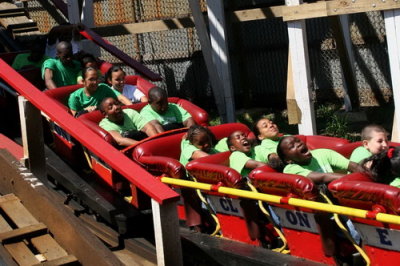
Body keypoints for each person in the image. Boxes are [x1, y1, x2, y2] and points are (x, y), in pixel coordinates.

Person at [277, 136, 362, 184]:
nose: (298, 144)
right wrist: (355, 180)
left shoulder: (322, 153)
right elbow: (323, 177)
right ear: (288, 159)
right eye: (292, 146)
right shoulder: (290, 169)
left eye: (298, 140)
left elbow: (353, 166)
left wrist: (369, 176)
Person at [68, 67, 132, 116]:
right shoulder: (74, 97)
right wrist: (85, 111)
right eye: (91, 79)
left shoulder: (103, 88)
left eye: (96, 79)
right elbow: (75, 117)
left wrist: (132, 109)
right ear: (83, 81)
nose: (95, 82)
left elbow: (121, 98)